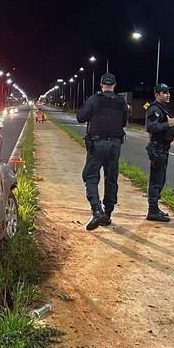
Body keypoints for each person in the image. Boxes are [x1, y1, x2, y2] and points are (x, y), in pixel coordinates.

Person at [76, 72, 128, 230]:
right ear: (114, 85)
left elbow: (80, 117)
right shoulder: (121, 102)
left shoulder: (94, 99)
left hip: (97, 144)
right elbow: (124, 122)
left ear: (101, 85)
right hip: (115, 145)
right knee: (111, 178)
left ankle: (96, 209)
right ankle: (108, 214)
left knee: (90, 176)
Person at [144, 83, 174, 221]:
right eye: (164, 92)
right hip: (157, 148)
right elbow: (150, 127)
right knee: (156, 180)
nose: (168, 94)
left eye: (168, 92)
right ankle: (152, 211)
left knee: (160, 179)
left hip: (163, 148)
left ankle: (155, 208)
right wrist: (168, 124)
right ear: (157, 95)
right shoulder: (154, 109)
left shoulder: (163, 109)